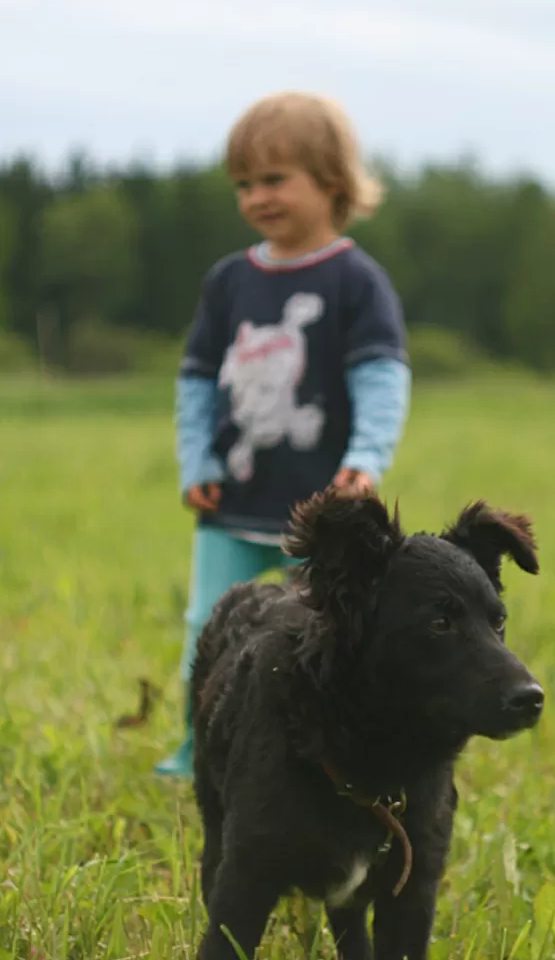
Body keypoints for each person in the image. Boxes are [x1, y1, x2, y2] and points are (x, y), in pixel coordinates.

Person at [155, 91, 411, 778]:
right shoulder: (230, 281)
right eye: (243, 183)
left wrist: (366, 459)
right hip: (231, 503)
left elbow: (382, 381)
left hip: (322, 512)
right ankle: (197, 752)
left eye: (274, 179)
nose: (257, 196)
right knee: (205, 634)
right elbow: (197, 383)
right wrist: (198, 459)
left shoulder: (356, 282)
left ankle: (327, 755)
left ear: (331, 181)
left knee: (329, 639)